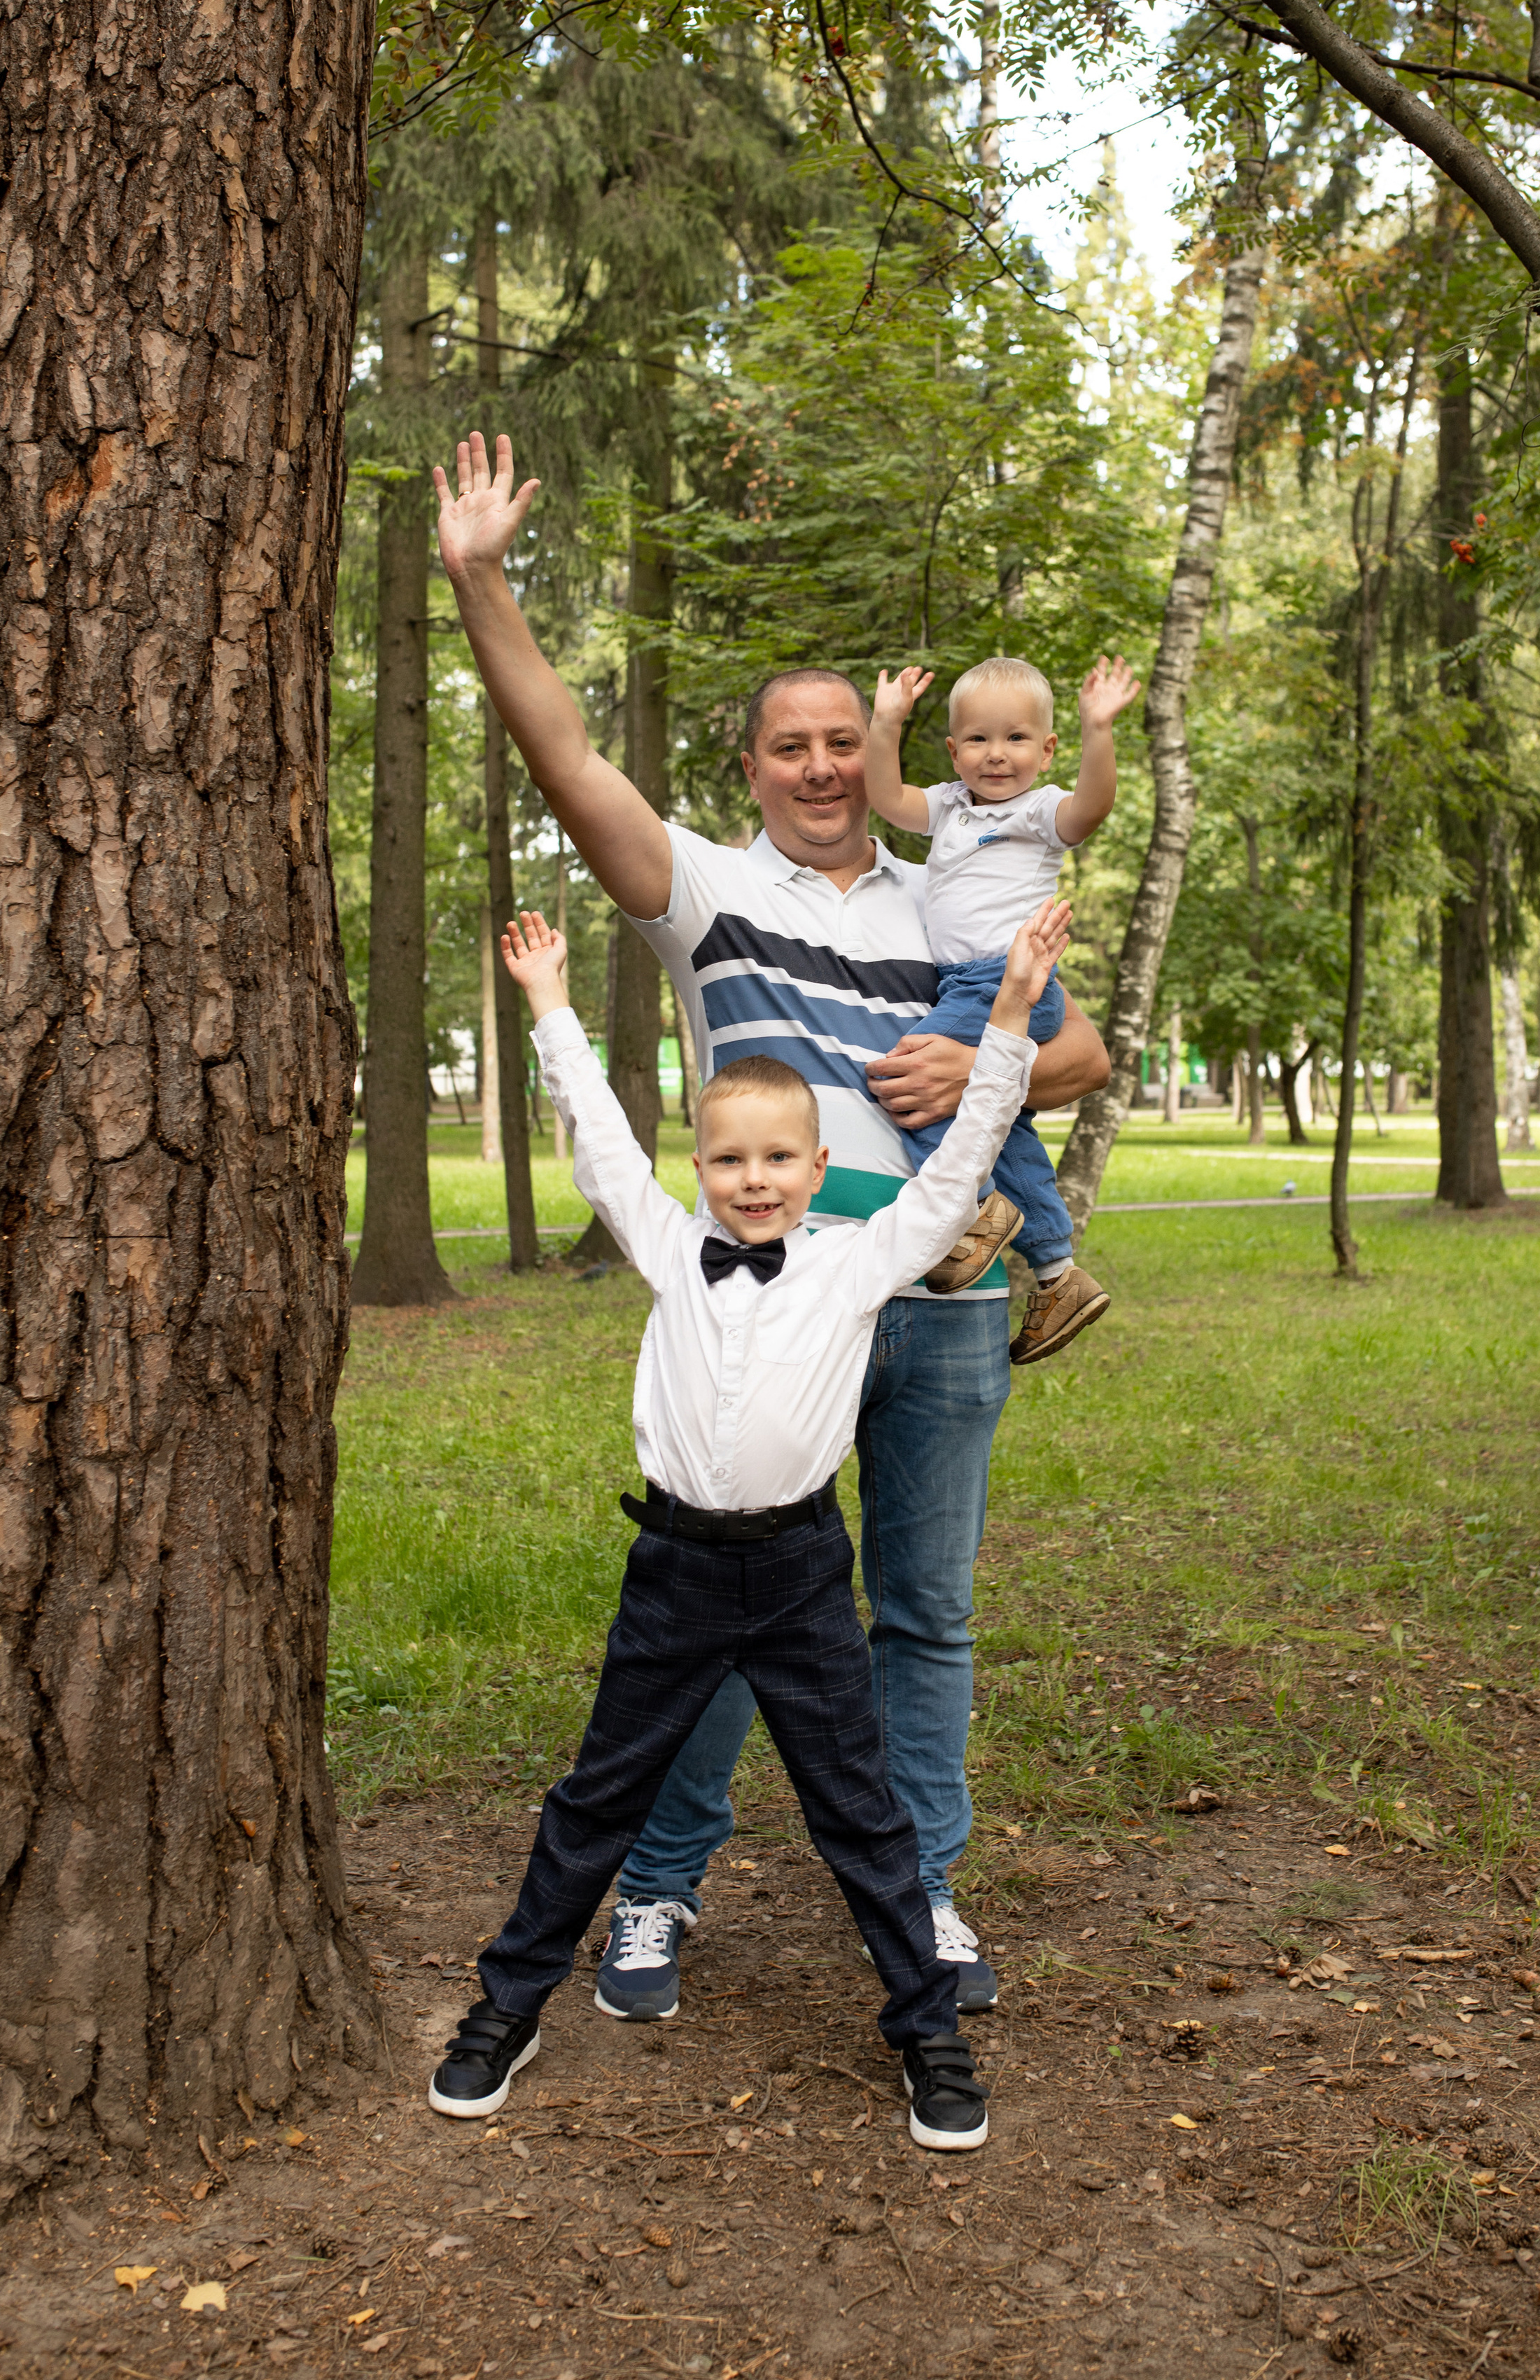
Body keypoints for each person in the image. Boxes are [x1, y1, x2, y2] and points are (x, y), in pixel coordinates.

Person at [433, 433, 1110, 2026]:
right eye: (789, 745)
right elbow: (567, 758)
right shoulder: (704, 895)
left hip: (936, 1305)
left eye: (835, 741)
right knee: (727, 1619)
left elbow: (1075, 1051)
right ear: (751, 769)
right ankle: (658, 1889)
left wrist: (972, 1062)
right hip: (758, 1314)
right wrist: (479, 580)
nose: (818, 764)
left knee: (922, 1613)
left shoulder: (950, 889)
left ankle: (924, 1890)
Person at [426, 896, 1071, 2148]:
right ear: (704, 1171)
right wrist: (553, 1005)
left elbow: (959, 1157)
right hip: (672, 1568)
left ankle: (928, 2034)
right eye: (730, 1161)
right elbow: (605, 1148)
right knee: (595, 1802)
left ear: (816, 1172)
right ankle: (507, 2007)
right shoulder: (673, 1251)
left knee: (861, 1812)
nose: (755, 1180)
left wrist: (1004, 1015)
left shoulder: (859, 1262)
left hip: (796, 1575)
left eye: (779, 1160)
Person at [864, 652, 1140, 1363]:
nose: (996, 755)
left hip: (1008, 984)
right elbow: (886, 798)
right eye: (978, 740)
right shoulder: (949, 807)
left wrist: (1098, 730)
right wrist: (885, 721)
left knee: (913, 1080)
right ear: (954, 751)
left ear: (1046, 749)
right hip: (965, 987)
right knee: (1001, 1121)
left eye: (1016, 738)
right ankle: (1056, 1272)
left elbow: (1092, 807)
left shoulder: (1041, 809)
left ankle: (970, 1212)